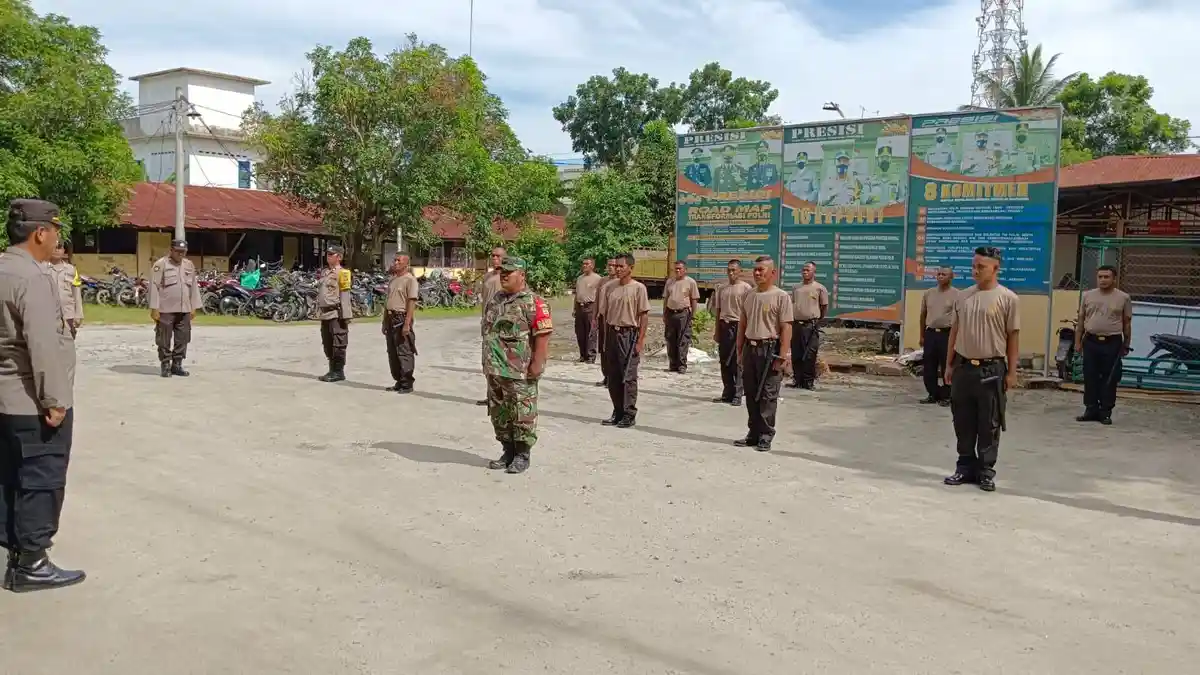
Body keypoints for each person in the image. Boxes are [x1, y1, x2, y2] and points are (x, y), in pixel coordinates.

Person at [0, 199, 83, 593]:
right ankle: (31, 563)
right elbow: (43, 343)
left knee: (9, 477)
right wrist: (54, 400)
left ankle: (15, 549)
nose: (57, 240)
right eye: (55, 231)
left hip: (4, 400)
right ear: (40, 233)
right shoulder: (32, 277)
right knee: (41, 479)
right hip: (28, 400)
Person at [943, 246, 1019, 493]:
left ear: (996, 268)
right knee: (962, 421)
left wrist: (1012, 372)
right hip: (964, 367)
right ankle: (964, 467)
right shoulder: (963, 296)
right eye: (973, 266)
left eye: (981, 267)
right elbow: (954, 331)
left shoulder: (1008, 298)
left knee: (989, 422)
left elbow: (1012, 336)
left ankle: (986, 471)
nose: (975, 271)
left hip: (992, 369)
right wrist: (949, 364)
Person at [483, 257, 553, 474]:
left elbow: (542, 336)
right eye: (502, 272)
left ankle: (522, 454)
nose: (504, 275)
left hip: (519, 370)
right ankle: (508, 451)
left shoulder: (534, 302)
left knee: (522, 412)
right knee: (499, 413)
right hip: (495, 369)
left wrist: (537, 364)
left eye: (509, 272)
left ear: (522, 275)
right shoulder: (496, 299)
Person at [736, 256, 793, 452]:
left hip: (770, 350)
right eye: (756, 270)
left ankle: (766, 435)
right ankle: (753, 433)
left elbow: (786, 328)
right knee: (751, 392)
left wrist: (783, 356)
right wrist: (739, 350)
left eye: (761, 270)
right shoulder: (749, 295)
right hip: (750, 349)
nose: (757, 273)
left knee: (768, 394)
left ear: (773, 273)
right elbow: (742, 324)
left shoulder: (781, 296)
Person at [1075, 265, 1132, 425]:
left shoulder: (1123, 298)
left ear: (1114, 279)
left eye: (1107, 277)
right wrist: (1078, 342)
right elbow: (1080, 320)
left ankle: (1105, 412)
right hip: (1091, 341)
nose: (1103, 280)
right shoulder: (1087, 296)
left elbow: (1127, 323)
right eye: (1100, 277)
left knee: (1109, 378)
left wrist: (1126, 343)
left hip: (1112, 342)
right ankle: (1090, 409)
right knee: (1090, 375)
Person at [601, 253, 649, 429]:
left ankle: (629, 413)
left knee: (628, 376)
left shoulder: (638, 288)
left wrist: (640, 341)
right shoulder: (610, 287)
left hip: (629, 334)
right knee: (613, 375)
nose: (618, 269)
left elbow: (643, 316)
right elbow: (605, 315)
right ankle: (617, 411)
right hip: (612, 332)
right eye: (617, 266)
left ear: (630, 268)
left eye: (622, 266)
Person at [148, 239, 202, 378]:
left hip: (184, 309)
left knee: (183, 338)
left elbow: (194, 287)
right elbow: (154, 286)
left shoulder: (189, 265)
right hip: (165, 309)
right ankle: (165, 364)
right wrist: (154, 308)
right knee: (164, 338)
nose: (180, 254)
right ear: (171, 250)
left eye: (183, 252)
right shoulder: (161, 264)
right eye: (177, 251)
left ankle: (177, 364)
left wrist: (194, 307)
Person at [710, 259, 751, 406]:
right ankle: (727, 392)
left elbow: (748, 312)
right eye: (729, 270)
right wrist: (717, 331)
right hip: (724, 326)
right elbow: (718, 311)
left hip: (738, 326)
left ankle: (738, 394)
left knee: (738, 361)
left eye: (734, 270)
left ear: (740, 271)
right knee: (724, 360)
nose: (731, 273)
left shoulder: (746, 288)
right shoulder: (722, 288)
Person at [918, 266, 959, 405]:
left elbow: (960, 319)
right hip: (930, 334)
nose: (940, 276)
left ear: (951, 277)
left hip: (946, 335)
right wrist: (922, 335)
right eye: (939, 274)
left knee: (946, 365)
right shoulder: (929, 293)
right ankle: (933, 394)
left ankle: (948, 395)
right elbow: (923, 315)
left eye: (944, 274)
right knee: (929, 366)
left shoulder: (957, 295)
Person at [788, 261, 828, 390]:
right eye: (803, 270)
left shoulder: (819, 288)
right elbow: (792, 304)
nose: (805, 272)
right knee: (796, 353)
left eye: (808, 270)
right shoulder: (796, 288)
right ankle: (797, 380)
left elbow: (824, 306)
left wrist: (818, 320)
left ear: (813, 272)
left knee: (810, 355)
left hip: (810, 326)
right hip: (796, 325)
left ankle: (808, 382)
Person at [383, 254, 419, 394]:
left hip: (401, 318)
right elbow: (388, 302)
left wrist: (407, 324)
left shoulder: (410, 280)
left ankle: (407, 383)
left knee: (404, 351)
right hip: (391, 318)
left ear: (406, 263)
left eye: (399, 261)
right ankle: (398, 380)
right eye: (395, 260)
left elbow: (411, 303)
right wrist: (385, 322)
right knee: (392, 352)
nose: (396, 262)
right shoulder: (393, 280)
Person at [316, 244, 352, 382]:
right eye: (327, 254)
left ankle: (338, 371)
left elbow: (344, 295)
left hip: (336, 313)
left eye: (332, 254)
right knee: (327, 343)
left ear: (339, 257)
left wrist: (346, 316)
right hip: (325, 313)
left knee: (338, 343)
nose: (328, 257)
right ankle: (332, 370)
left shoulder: (342, 273)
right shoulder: (325, 273)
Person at [476, 246, 505, 406]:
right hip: (487, 322)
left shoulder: (508, 277)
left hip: (501, 324)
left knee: (500, 361)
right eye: (492, 256)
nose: (494, 259)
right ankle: (491, 395)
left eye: (498, 256)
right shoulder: (487, 276)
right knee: (487, 361)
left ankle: (501, 396)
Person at [662, 260, 699, 374]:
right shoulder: (670, 282)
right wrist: (664, 314)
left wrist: (693, 315)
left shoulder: (690, 282)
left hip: (683, 314)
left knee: (683, 340)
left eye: (680, 268)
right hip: (670, 313)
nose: (677, 270)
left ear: (685, 270)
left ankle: (682, 365)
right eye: (676, 268)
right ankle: (673, 364)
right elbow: (666, 298)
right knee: (670, 339)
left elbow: (694, 299)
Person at [49, 240, 83, 339]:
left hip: (68, 314)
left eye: (59, 247)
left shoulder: (71, 269)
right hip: (48, 314)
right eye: (53, 247)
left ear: (63, 250)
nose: (56, 250)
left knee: (67, 342)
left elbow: (76, 293)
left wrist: (78, 314)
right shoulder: (42, 269)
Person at [594, 257, 619, 388]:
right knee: (603, 349)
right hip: (602, 319)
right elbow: (597, 300)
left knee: (612, 349)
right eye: (609, 265)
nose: (611, 268)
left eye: (614, 265)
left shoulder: (620, 282)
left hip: (614, 320)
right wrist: (594, 317)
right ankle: (606, 376)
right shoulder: (602, 281)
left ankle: (613, 378)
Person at [572, 258, 602, 364]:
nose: (584, 265)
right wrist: (574, 308)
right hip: (580, 307)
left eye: (587, 264)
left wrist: (598, 311)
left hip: (591, 307)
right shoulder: (580, 278)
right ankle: (582, 355)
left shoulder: (597, 279)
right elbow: (577, 294)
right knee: (580, 332)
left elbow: (600, 296)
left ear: (592, 266)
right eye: (583, 264)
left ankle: (590, 356)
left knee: (591, 332)